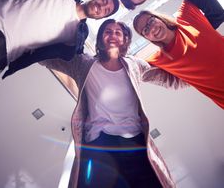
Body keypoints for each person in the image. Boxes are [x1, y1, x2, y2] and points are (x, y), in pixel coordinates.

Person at [41, 19, 189, 188]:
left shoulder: (135, 65)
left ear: (125, 40)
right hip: (98, 143)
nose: (112, 35)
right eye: (107, 31)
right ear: (100, 39)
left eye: (118, 32)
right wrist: (21, 51)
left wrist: (202, 76)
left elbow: (170, 80)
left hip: (135, 142)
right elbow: (48, 59)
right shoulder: (84, 63)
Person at [0, 0, 119, 79]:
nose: (102, 6)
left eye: (106, 10)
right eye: (104, 0)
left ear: (100, 18)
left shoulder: (74, 40)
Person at [133, 0, 224, 109]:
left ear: (158, 18)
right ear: (147, 37)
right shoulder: (158, 60)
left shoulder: (186, 17)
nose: (152, 29)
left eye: (151, 21)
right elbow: (134, 69)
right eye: (146, 30)